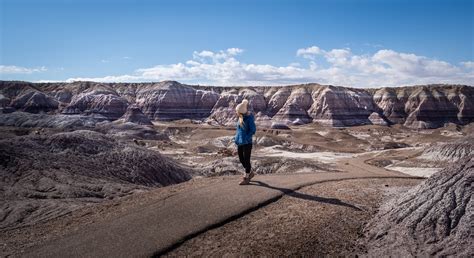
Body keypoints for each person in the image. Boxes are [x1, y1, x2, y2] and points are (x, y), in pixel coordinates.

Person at [234, 99, 256, 185]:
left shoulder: (249, 119)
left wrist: (246, 138)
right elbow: (238, 131)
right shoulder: (240, 118)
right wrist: (236, 139)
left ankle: (246, 177)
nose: (236, 112)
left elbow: (253, 130)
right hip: (240, 142)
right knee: (241, 159)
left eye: (237, 111)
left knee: (247, 160)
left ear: (241, 112)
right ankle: (250, 172)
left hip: (247, 143)